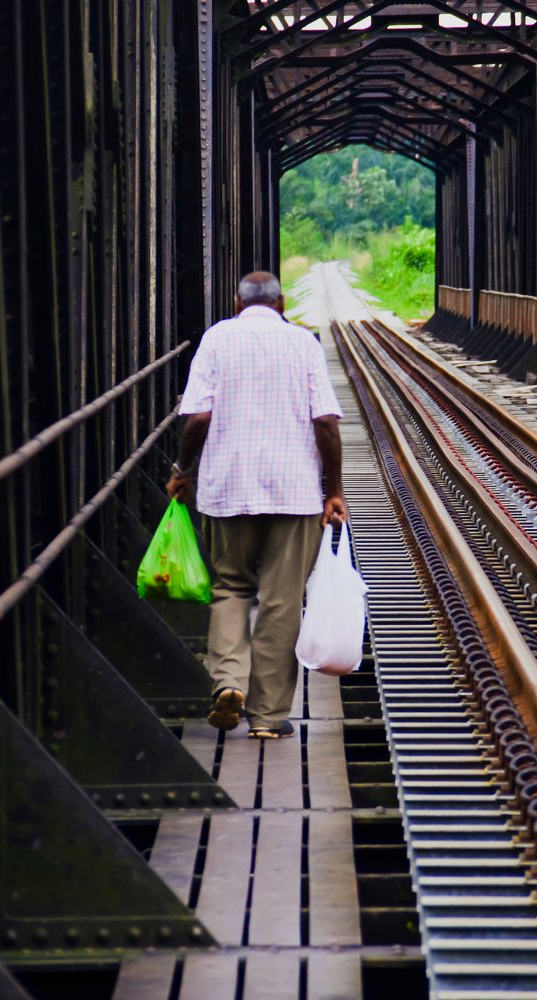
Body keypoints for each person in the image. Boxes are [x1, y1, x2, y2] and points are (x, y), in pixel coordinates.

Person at [166, 271, 346, 739]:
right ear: (282, 302)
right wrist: (334, 490)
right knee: (282, 601)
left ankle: (228, 682)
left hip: (227, 487)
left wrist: (183, 471)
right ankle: (267, 718)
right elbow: (326, 421)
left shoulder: (217, 339)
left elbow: (198, 416)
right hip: (296, 490)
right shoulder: (303, 343)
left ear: (237, 302)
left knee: (230, 587)